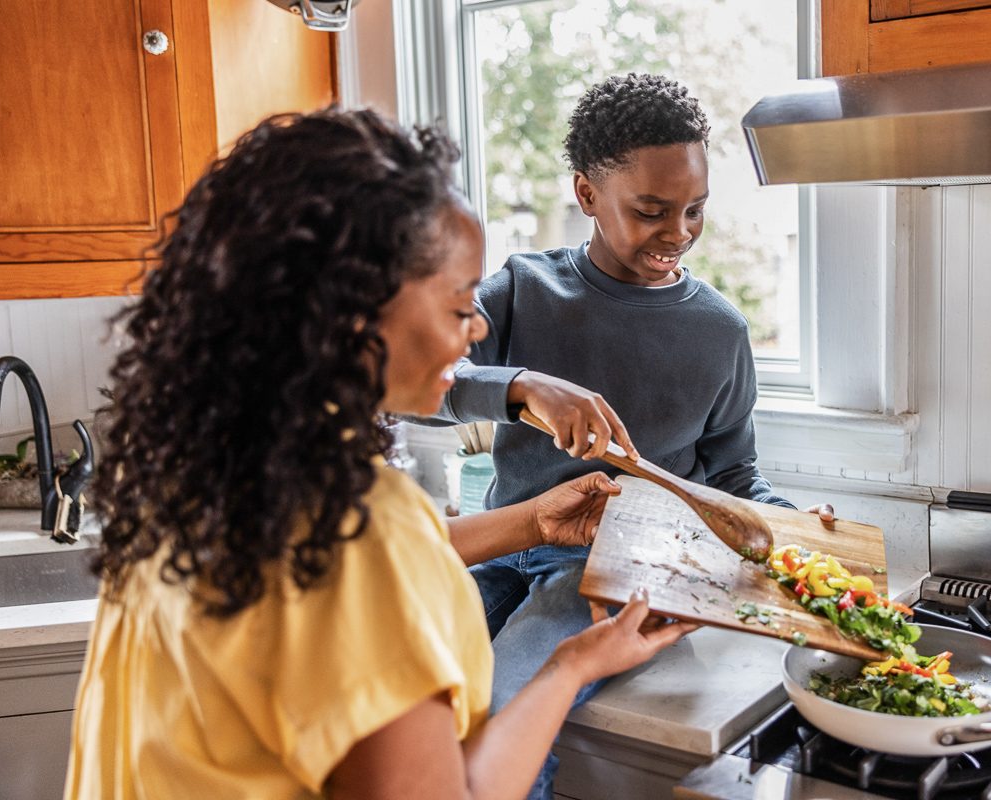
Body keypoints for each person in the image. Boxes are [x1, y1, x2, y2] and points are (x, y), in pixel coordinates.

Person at [63, 107, 694, 800]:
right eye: (458, 302)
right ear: (352, 310)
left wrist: (532, 521)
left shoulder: (195, 467)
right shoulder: (361, 528)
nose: (477, 324)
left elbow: (320, 577)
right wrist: (566, 668)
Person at [428, 73, 829, 799]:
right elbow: (419, 380)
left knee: (509, 715)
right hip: (498, 542)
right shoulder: (522, 289)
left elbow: (734, 478)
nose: (678, 232)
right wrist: (519, 389)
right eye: (651, 210)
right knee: (401, 694)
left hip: (611, 569)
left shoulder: (719, 332)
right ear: (586, 195)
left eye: (695, 209)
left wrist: (795, 527)